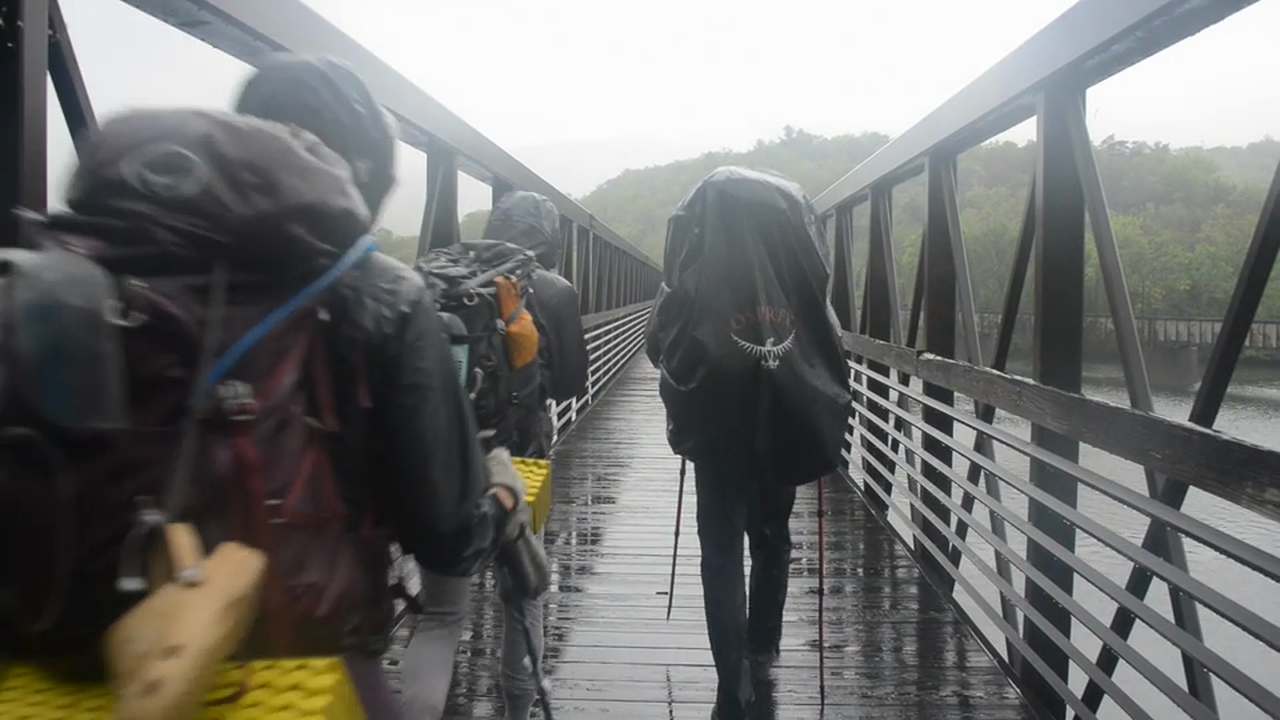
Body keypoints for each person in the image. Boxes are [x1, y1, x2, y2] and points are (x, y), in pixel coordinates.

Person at [234, 55, 535, 718]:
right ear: (367, 168)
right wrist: (503, 493)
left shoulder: (128, 268)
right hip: (310, 635)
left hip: (125, 634)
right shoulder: (384, 295)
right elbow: (448, 532)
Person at [645, 167, 852, 719]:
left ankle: (732, 679)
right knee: (773, 533)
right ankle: (763, 642)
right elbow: (829, 352)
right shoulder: (803, 286)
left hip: (716, 430)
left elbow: (655, 346)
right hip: (781, 419)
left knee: (719, 549)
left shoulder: (690, 273)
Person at [403, 191, 587, 720]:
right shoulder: (552, 288)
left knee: (440, 615)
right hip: (524, 455)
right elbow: (573, 380)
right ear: (549, 235)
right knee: (523, 599)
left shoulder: (432, 276)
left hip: (438, 461)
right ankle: (517, 711)